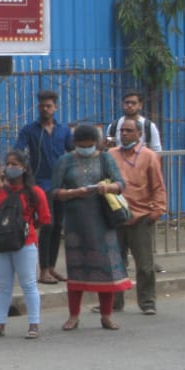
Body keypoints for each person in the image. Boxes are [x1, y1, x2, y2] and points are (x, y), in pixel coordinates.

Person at [51, 124, 132, 331]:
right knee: (76, 269)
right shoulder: (65, 161)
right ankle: (73, 316)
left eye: (88, 145)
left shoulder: (105, 159)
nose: (85, 149)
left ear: (96, 143)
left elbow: (121, 184)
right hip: (75, 223)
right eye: (80, 145)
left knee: (106, 270)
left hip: (102, 221)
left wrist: (108, 187)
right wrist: (72, 193)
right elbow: (54, 191)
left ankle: (106, 315)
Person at [0, 149, 51, 339]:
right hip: (0, 242)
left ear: (24, 168)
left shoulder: (35, 192)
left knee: (28, 284)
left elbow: (44, 218)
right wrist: (0, 187)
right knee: (4, 286)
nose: (10, 168)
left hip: (25, 243)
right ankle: (0, 325)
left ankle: (34, 324)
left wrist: (28, 232)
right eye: (7, 164)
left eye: (14, 165)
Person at [109, 117, 166, 315]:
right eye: (122, 131)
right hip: (116, 216)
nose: (124, 134)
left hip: (141, 216)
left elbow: (158, 186)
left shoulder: (149, 156)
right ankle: (114, 302)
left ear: (139, 134)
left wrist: (157, 211)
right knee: (115, 263)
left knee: (144, 264)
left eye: (128, 131)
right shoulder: (111, 155)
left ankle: (147, 302)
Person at [15, 90, 73, 285]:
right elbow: (18, 151)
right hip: (41, 184)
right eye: (42, 106)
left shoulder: (64, 130)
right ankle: (43, 270)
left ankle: (52, 267)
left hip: (61, 184)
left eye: (48, 106)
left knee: (58, 226)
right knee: (47, 225)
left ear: (55, 108)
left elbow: (72, 152)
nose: (45, 109)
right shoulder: (29, 130)